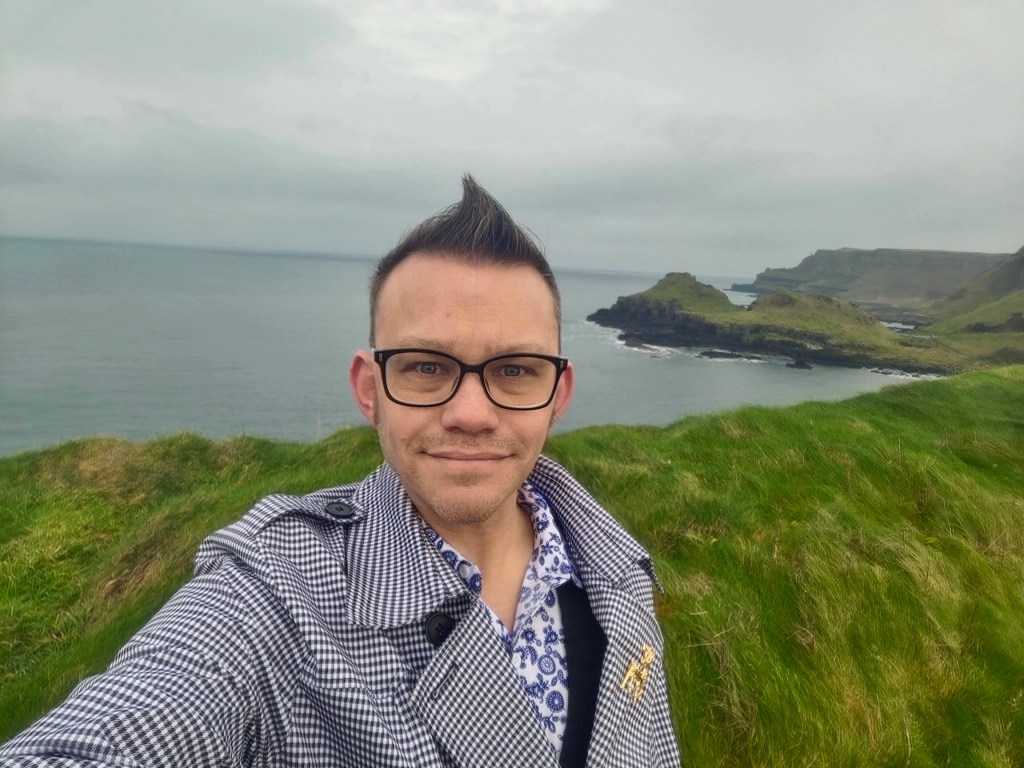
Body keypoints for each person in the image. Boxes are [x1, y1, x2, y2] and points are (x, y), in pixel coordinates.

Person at [0, 176, 682, 767]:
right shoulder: (280, 590)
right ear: (368, 390)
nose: (471, 413)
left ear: (558, 394)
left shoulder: (613, 568)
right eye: (426, 366)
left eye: (515, 370)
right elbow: (153, 708)